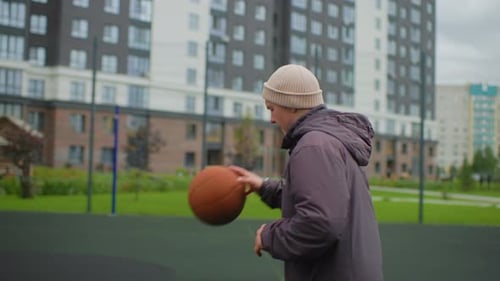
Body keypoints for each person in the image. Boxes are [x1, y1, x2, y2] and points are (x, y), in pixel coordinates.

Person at [229, 64, 384, 281]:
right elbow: (322, 199)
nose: (271, 119)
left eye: (271, 108)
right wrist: (263, 186)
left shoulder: (313, 146)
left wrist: (269, 236)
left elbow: (320, 223)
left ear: (292, 105)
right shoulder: (328, 141)